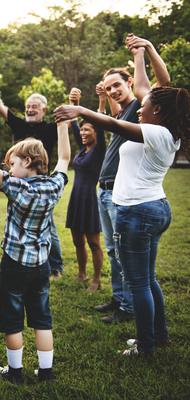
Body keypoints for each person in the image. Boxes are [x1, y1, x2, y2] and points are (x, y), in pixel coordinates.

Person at [54, 60, 190, 357]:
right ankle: (159, 336)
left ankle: (146, 346)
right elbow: (142, 88)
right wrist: (142, 52)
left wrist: (80, 110)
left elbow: (114, 124)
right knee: (149, 279)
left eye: (146, 106)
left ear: (159, 111)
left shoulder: (156, 132)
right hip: (153, 207)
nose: (141, 108)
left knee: (139, 282)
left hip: (137, 212)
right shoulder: (163, 132)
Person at [0, 115, 70, 383]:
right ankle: (46, 373)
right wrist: (63, 125)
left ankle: (16, 372)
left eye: (11, 164)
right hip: (41, 265)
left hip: (14, 264)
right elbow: (65, 158)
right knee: (42, 317)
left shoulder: (17, 187)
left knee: (12, 318)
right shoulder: (54, 185)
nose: (8, 170)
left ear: (27, 162)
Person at [93, 34, 171, 324]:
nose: (114, 90)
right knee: (115, 253)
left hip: (129, 199)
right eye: (109, 86)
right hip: (108, 190)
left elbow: (155, 87)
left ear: (129, 85)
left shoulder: (142, 110)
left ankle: (129, 310)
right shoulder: (133, 113)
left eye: (118, 85)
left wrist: (143, 51)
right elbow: (115, 113)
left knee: (131, 264)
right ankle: (120, 298)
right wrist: (103, 97)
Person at [0, 84, 64, 280]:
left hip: (41, 184)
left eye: (34, 106)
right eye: (27, 106)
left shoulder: (50, 128)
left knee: (48, 225)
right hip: (19, 183)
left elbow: (65, 142)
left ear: (43, 110)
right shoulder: (20, 124)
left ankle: (55, 266)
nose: (29, 109)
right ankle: (25, 258)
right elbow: (0, 107)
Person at [66, 87, 106, 293]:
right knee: (77, 240)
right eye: (82, 130)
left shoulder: (99, 149)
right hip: (76, 196)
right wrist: (74, 103)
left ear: (95, 133)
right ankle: (82, 274)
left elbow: (100, 123)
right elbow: (73, 124)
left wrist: (101, 101)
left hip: (90, 196)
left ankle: (97, 280)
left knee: (93, 242)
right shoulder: (83, 149)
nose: (82, 132)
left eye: (86, 130)